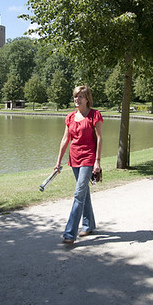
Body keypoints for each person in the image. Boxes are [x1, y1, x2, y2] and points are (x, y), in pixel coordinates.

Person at [55, 85, 103, 244]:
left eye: (80, 97)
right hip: (74, 158)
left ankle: (69, 233)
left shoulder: (95, 115)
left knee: (78, 194)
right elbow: (65, 140)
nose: (76, 99)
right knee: (84, 192)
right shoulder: (70, 117)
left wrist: (97, 161)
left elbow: (100, 138)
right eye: (75, 96)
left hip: (88, 158)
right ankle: (89, 225)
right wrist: (58, 160)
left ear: (87, 99)